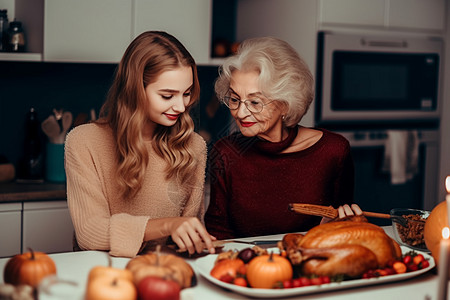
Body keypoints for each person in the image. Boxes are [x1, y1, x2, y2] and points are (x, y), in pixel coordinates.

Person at [65, 31, 215, 258]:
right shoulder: (84, 141)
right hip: (102, 276)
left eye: (187, 93)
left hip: (163, 273)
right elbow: (90, 233)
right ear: (134, 90)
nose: (181, 107)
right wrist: (167, 225)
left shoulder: (194, 146)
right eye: (167, 96)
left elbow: (187, 233)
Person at [205, 36, 355, 240]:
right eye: (234, 99)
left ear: (285, 103)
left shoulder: (333, 151)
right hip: (245, 266)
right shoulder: (225, 152)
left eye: (255, 102)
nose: (240, 113)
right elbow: (218, 233)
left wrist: (334, 227)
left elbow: (342, 231)